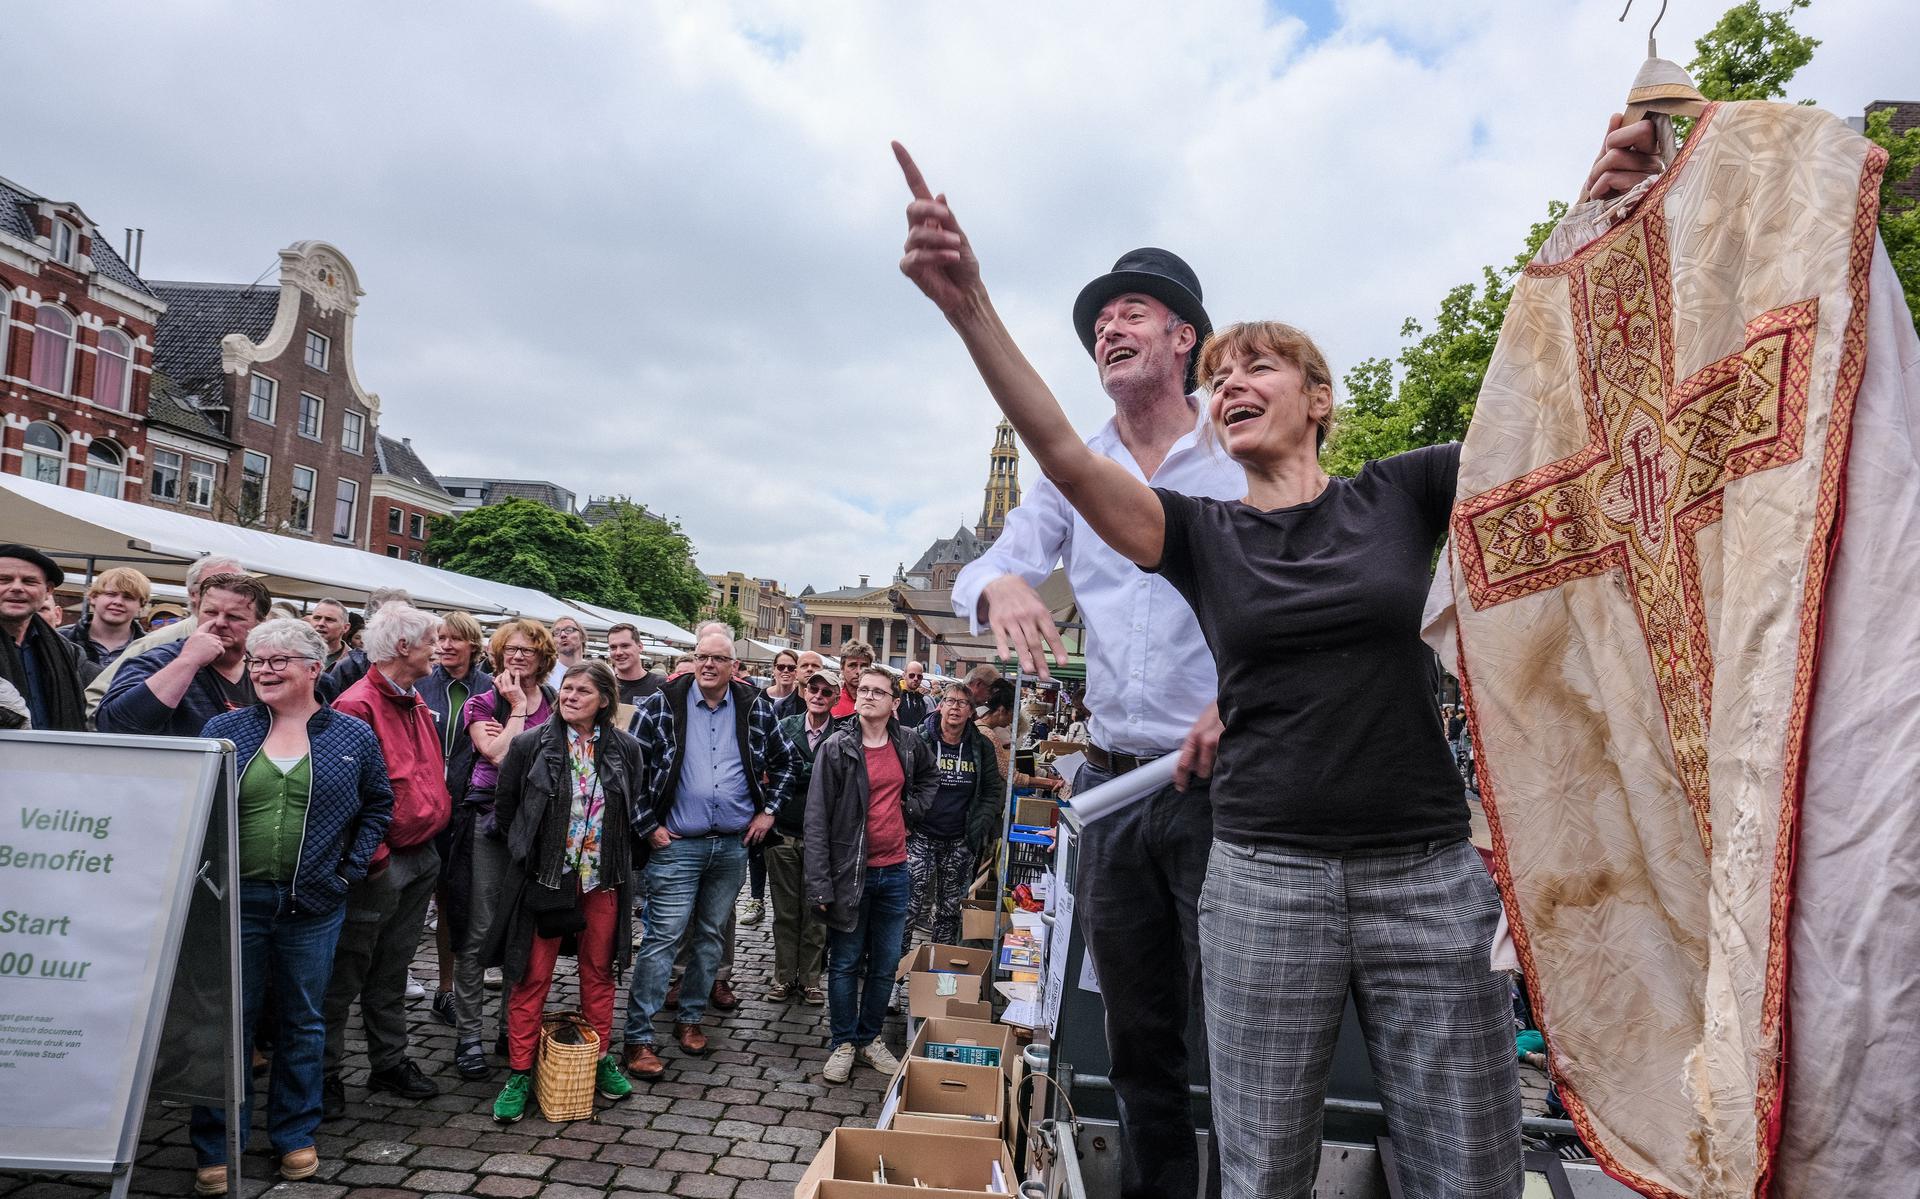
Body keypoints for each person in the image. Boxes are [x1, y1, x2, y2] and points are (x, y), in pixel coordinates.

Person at [893, 133, 1666, 1192]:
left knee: (1456, 1148)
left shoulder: (1380, 493)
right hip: (1197, 820)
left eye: (1249, 364)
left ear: (1311, 396)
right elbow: (1061, 467)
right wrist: (969, 311)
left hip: (1373, 847)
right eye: (1227, 373)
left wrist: (1596, 218)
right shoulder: (1193, 528)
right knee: (1178, 1074)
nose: (1229, 382)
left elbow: (1529, 400)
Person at [187, 619, 393, 1197]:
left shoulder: (350, 736)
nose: (265, 670)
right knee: (229, 1022)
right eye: (257, 661)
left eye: (279, 660)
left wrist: (348, 872)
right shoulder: (226, 729)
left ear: (313, 669)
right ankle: (216, 1142)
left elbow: (378, 805)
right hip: (235, 902)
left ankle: (295, 1133)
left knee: (304, 1020)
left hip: (314, 905)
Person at [621, 629, 786, 1080]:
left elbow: (787, 761)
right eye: (701, 657)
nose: (709, 665)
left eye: (718, 658)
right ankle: (638, 1037)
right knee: (663, 938)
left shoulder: (754, 707)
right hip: (676, 844)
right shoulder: (660, 704)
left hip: (732, 843)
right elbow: (628, 770)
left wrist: (769, 812)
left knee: (712, 935)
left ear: (734, 666)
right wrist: (648, 827)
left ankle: (691, 1018)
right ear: (692, 661)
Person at [484, 661, 640, 1122]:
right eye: (567, 689)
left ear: (605, 701)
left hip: (601, 877)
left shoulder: (626, 748)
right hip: (546, 879)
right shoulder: (532, 744)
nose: (569, 696)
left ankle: (599, 1058)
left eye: (582, 691)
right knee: (532, 975)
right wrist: (534, 857)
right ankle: (519, 1071)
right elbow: (506, 805)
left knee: (599, 971)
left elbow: (633, 804)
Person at [321, 604, 452, 1116]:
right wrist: (373, 860)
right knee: (345, 975)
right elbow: (347, 797)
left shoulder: (411, 698)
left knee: (392, 968)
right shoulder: (359, 705)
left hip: (420, 855)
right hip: (384, 862)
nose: (438, 649)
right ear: (403, 647)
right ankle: (324, 1074)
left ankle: (389, 1061)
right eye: (431, 641)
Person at [805, 666, 935, 1084]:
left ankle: (870, 1038)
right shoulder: (837, 746)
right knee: (844, 961)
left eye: (878, 692)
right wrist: (820, 882)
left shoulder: (910, 743)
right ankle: (843, 1042)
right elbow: (816, 817)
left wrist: (909, 810)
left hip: (895, 869)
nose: (868, 697)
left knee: (884, 963)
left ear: (894, 704)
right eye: (863, 690)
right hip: (850, 871)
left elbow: (930, 780)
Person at [451, 618, 558, 1079]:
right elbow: (497, 755)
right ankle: (468, 1035)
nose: (518, 657)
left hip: (539, 828)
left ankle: (508, 1028)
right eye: (510, 649)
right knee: (479, 932)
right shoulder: (483, 702)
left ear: (543, 658)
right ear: (497, 654)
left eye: (528, 651)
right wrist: (516, 709)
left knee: (523, 932)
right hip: (490, 825)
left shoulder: (556, 703)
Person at [418, 611, 494, 1030]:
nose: (445, 646)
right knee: (411, 903)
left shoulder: (488, 689)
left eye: (454, 639)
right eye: (440, 639)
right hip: (423, 805)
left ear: (472, 645)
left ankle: (446, 990)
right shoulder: (420, 685)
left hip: (465, 809)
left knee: (453, 901)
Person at [98, 572, 270, 736]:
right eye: (210, 612)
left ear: (259, 624)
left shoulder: (265, 670)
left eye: (234, 617)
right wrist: (188, 661)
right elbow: (114, 725)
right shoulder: (158, 660)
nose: (219, 622)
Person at [907, 682, 1006, 953]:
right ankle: (894, 974)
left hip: (960, 839)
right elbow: (903, 782)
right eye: (950, 701)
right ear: (940, 706)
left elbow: (991, 789)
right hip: (921, 836)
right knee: (908, 909)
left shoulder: (981, 745)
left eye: (962, 703)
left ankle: (940, 973)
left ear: (971, 711)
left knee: (949, 911)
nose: (955, 707)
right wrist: (908, 819)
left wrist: (979, 826)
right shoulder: (919, 739)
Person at [84, 553, 242, 718]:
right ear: (193, 594)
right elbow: (95, 700)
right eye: (214, 584)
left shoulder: (254, 644)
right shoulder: (159, 642)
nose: (227, 592)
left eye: (237, 585)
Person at [766, 668, 840, 1004]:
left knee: (816, 913)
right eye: (814, 689)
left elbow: (835, 781)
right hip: (784, 831)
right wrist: (804, 773)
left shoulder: (841, 735)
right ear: (804, 691)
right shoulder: (786, 727)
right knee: (785, 912)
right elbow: (773, 770)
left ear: (835, 698)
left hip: (822, 839)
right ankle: (783, 978)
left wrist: (797, 771)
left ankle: (810, 979)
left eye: (827, 692)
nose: (819, 695)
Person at [0, 544, 95, 731]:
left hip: (55, 758)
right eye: (4, 579)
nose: (17, 588)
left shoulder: (69, 652)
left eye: (29, 581)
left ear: (48, 591)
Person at [317, 588, 410, 702]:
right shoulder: (349, 669)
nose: (402, 626)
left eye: (407, 619)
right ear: (370, 623)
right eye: (391, 619)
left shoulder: (421, 668)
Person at [63, 565, 151, 666]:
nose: (118, 602)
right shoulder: (60, 639)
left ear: (141, 605)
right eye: (111, 594)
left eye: (128, 597)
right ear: (93, 597)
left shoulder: (152, 648)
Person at [607, 622, 662, 705]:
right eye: (613, 647)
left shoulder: (662, 686)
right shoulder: (604, 686)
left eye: (625, 646)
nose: (618, 652)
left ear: (640, 647)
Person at [773, 649, 823, 721]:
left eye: (815, 666)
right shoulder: (780, 708)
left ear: (823, 672)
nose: (809, 669)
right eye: (804, 666)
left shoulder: (831, 705)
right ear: (796, 673)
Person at [830, 639, 874, 719]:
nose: (859, 671)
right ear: (842, 668)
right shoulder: (831, 700)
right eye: (852, 665)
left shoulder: (879, 702)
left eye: (864, 666)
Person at [306, 598, 352, 669]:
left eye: (329, 619)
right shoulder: (295, 653)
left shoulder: (354, 662)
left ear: (345, 627)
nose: (321, 623)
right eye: (317, 618)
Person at [547, 616, 588, 688]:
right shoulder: (545, 674)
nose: (563, 635)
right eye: (556, 632)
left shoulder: (598, 671)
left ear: (582, 636)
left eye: (569, 630)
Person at [895, 660, 930, 728]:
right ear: (904, 676)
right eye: (911, 675)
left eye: (919, 676)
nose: (916, 679)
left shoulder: (922, 700)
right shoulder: (895, 696)